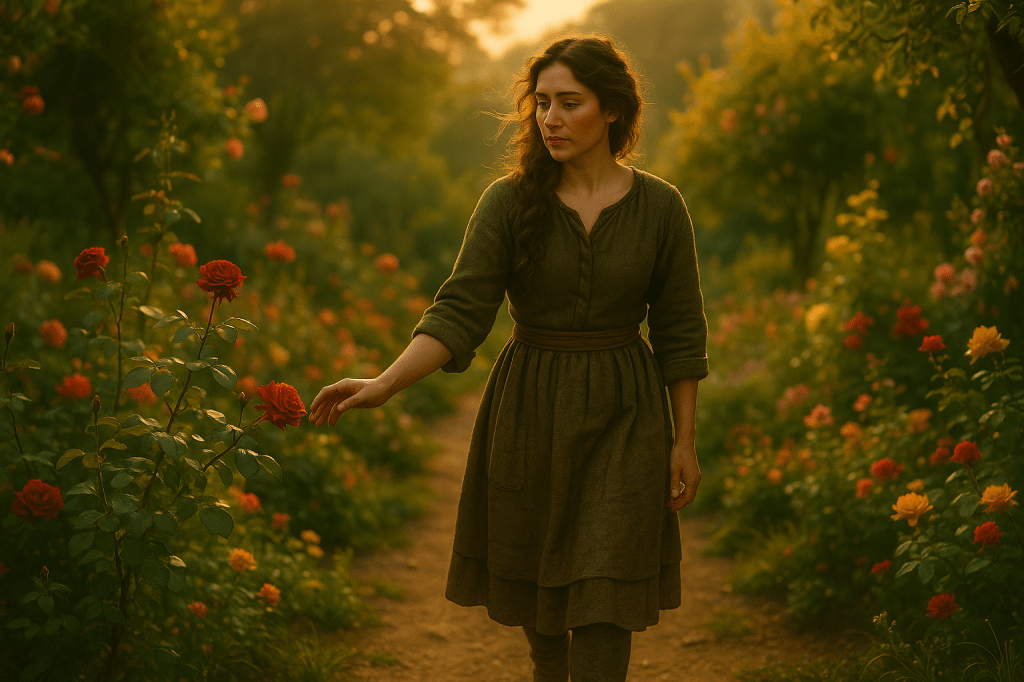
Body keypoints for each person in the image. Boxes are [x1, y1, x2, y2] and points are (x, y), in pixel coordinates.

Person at [309, 35, 708, 682]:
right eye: (542, 103)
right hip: (530, 407)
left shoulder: (662, 208)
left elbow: (681, 330)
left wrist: (683, 441)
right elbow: (461, 311)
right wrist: (385, 383)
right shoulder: (508, 200)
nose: (551, 118)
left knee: (606, 590)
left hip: (628, 410)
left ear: (612, 109)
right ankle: (549, 664)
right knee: (537, 579)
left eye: (569, 103)